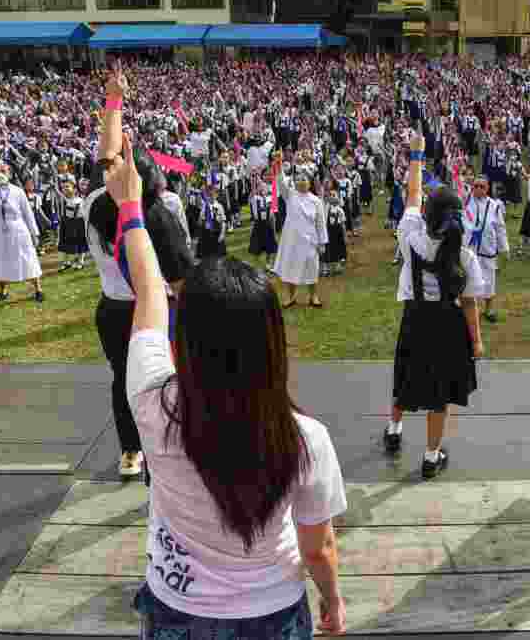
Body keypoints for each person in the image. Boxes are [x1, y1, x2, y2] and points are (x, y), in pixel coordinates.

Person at [105, 127, 348, 639]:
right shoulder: (306, 438)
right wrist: (332, 600)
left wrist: (130, 208)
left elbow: (150, 291)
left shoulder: (152, 403)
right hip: (273, 609)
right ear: (273, 342)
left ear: (187, 337)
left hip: (177, 607)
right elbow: (318, 548)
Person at [86, 71, 195, 480]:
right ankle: (166, 452)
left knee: (123, 382)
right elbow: (180, 283)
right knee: (165, 382)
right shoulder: (155, 222)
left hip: (111, 310)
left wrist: (114, 102)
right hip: (151, 313)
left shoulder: (96, 200)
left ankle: (131, 451)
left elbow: (106, 154)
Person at [385, 133, 485, 480]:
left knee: (405, 375)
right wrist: (477, 341)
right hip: (448, 324)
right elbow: (470, 302)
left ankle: (394, 430)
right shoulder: (466, 254)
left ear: (428, 214)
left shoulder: (411, 235)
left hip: (415, 318)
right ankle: (430, 455)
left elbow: (413, 193)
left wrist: (416, 154)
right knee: (438, 391)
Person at [0, 159, 44, 303]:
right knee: (0, 259)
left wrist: (34, 233)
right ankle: (3, 291)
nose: (0, 174)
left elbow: (27, 213)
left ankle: (38, 289)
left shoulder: (18, 191)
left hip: (17, 229)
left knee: (26, 257)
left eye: (3, 171)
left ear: (9, 174)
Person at [273, 156, 328, 309]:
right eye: (298, 180)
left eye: (305, 180)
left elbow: (320, 223)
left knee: (312, 268)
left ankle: (313, 296)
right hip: (292, 240)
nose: (302, 182)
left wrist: (322, 242)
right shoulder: (290, 195)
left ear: (309, 183)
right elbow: (281, 182)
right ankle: (291, 297)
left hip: (310, 240)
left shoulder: (316, 201)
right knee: (291, 268)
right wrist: (278, 166)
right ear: (295, 183)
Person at [463, 175, 509, 323]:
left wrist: (504, 248)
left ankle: (489, 309)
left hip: (488, 247)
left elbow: (500, 228)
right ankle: (469, 308)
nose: (478, 189)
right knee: (468, 277)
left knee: (489, 278)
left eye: (482, 186)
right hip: (470, 246)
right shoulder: (466, 201)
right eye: (475, 186)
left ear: (487, 188)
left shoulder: (494, 206)